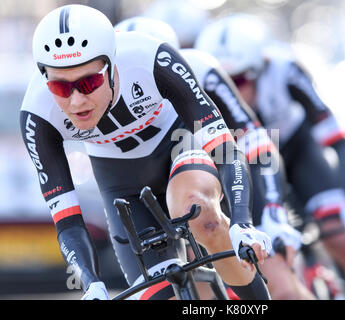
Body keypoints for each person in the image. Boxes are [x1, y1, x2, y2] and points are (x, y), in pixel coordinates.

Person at [20, 5, 272, 300]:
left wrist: (242, 223)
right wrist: (91, 284)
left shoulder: (151, 57)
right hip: (121, 180)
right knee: (157, 295)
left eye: (89, 83)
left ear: (113, 66)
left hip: (177, 143)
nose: (76, 101)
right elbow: (67, 221)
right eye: (60, 87)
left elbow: (226, 150)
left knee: (201, 214)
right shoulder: (37, 114)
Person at [115, 16, 315, 300]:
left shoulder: (201, 70)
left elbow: (259, 145)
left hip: (227, 182)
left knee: (280, 286)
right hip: (168, 195)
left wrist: (272, 212)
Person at [195, 13, 345, 299]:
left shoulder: (284, 69)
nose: (230, 90)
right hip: (249, 165)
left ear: (260, 69)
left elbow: (339, 140)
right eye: (223, 82)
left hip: (297, 153)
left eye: (239, 80)